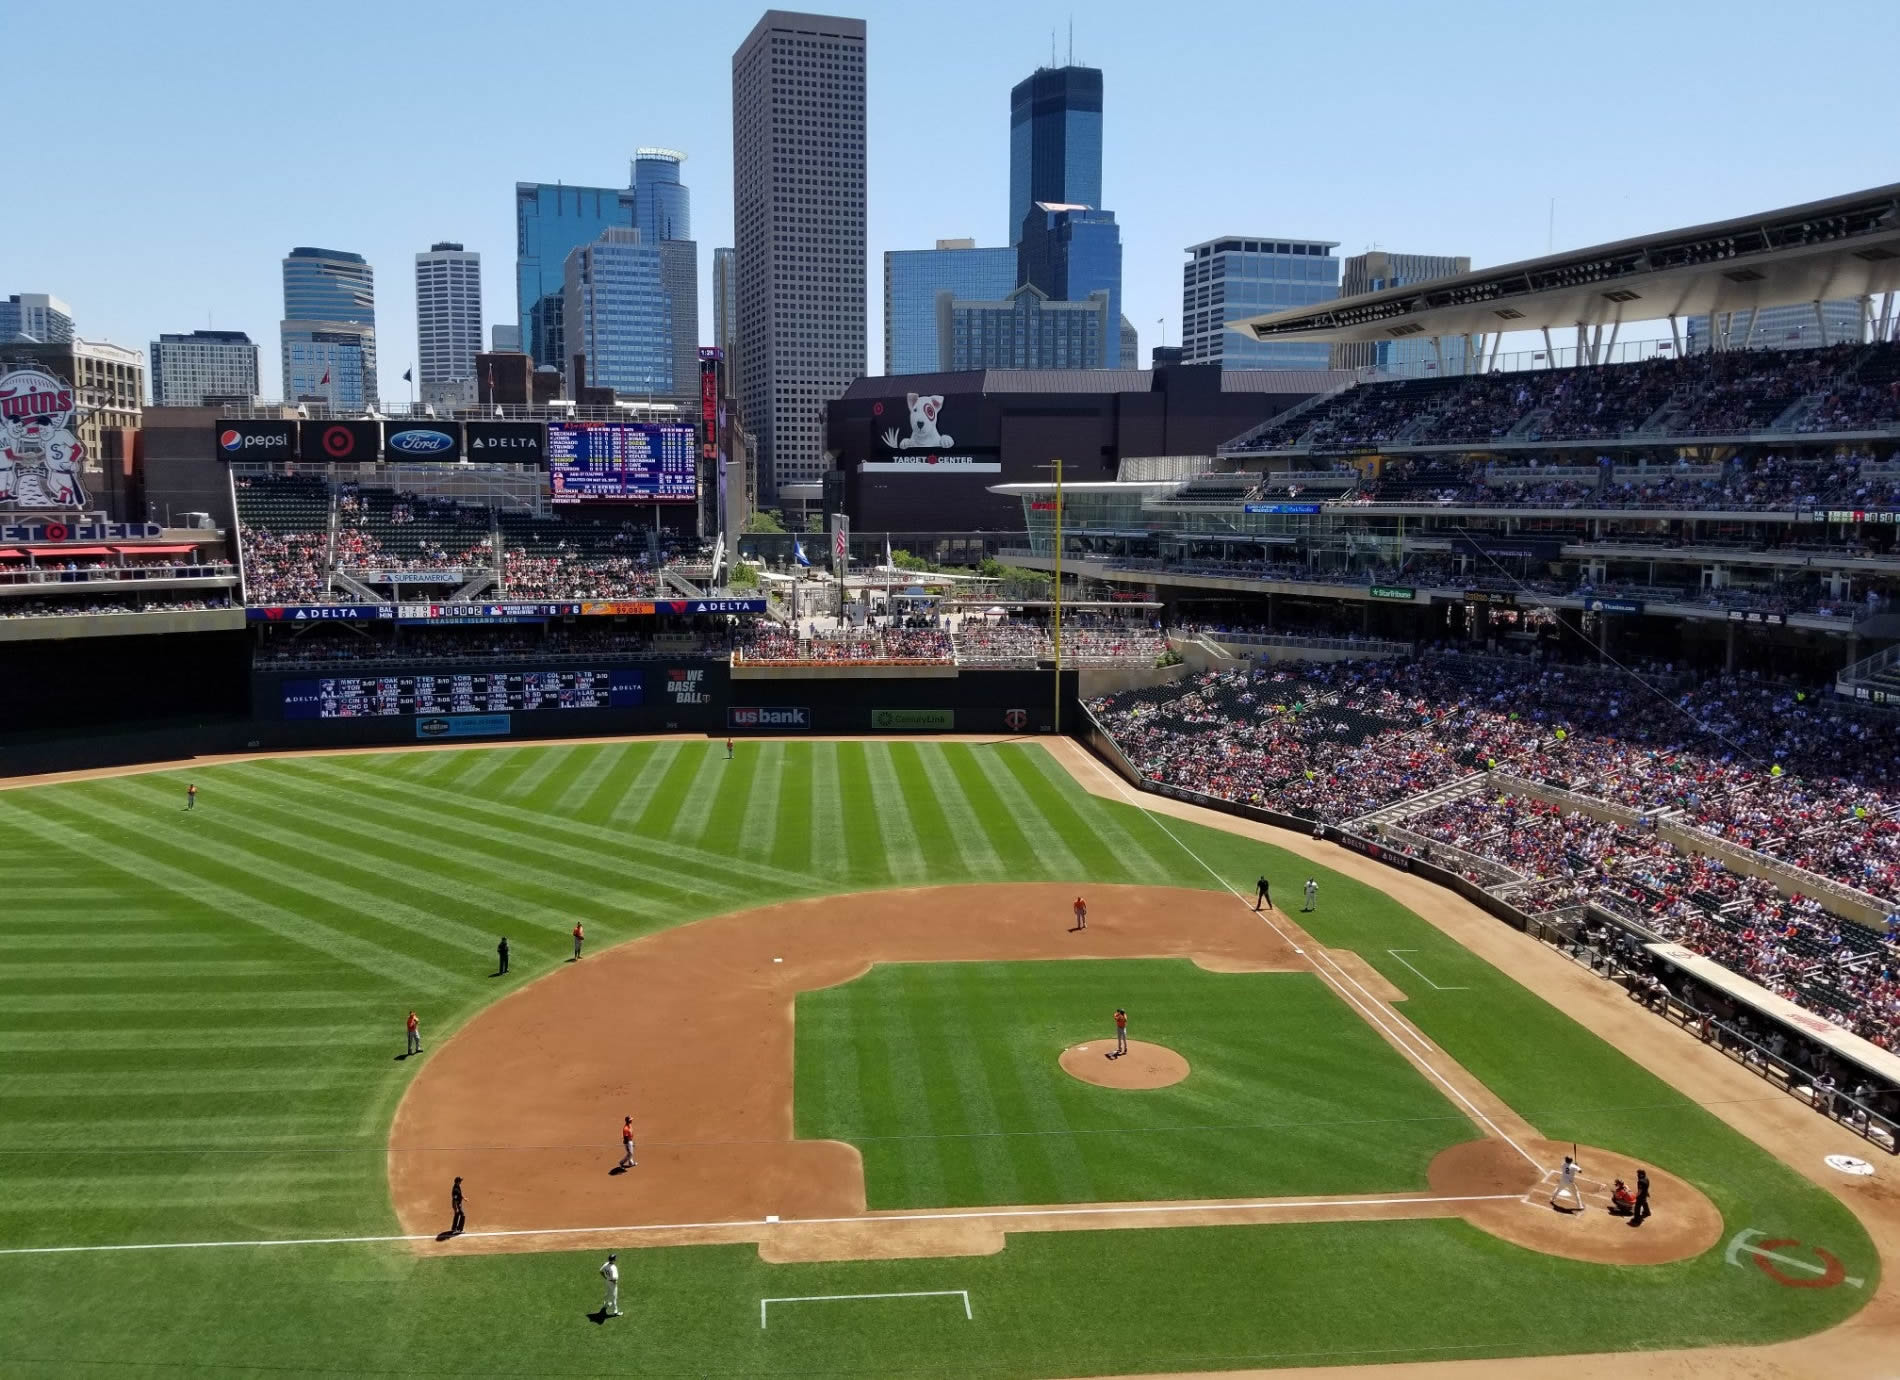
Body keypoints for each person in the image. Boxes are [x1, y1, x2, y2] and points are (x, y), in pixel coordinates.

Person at [600, 1253, 621, 1317]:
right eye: (615, 1258)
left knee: (608, 1293)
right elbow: (614, 1278)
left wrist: (605, 1278)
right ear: (614, 1260)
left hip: (607, 1281)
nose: (616, 1259)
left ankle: (605, 1305)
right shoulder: (613, 1268)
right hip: (612, 1283)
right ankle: (615, 1311)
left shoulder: (606, 1264)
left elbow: (600, 1271)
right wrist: (615, 1283)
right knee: (614, 1297)